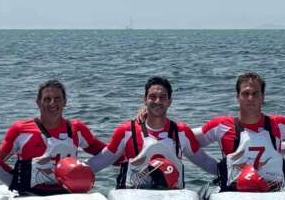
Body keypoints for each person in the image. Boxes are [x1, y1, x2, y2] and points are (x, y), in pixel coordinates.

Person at [196, 72, 285, 192]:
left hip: (272, 193)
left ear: (262, 97)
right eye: (245, 93)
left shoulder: (278, 124)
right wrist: (216, 168)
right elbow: (188, 140)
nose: (250, 98)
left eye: (255, 94)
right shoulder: (221, 126)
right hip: (233, 193)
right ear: (237, 97)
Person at [87, 76, 217, 188]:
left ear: (169, 101)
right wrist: (79, 170)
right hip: (132, 195)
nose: (157, 101)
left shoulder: (181, 132)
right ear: (145, 100)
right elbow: (101, 160)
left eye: (162, 97)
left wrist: (225, 172)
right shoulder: (126, 131)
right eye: (152, 97)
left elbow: (204, 161)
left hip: (173, 194)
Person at [0, 79, 106, 195]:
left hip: (68, 193)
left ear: (65, 102)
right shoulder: (20, 130)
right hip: (31, 194)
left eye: (57, 99)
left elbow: (107, 153)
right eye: (47, 99)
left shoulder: (77, 128)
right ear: (38, 103)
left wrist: (84, 170)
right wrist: (13, 179)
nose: (53, 103)